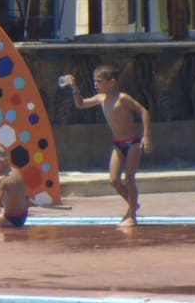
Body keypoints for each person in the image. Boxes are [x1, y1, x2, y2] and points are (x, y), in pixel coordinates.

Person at [65, 64, 153, 227]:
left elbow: (144, 111)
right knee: (114, 180)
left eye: (100, 81)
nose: (96, 85)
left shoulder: (123, 98)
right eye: (95, 81)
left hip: (132, 142)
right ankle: (133, 204)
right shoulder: (100, 98)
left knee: (129, 178)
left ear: (112, 82)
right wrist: (75, 87)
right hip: (118, 144)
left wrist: (146, 136)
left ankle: (132, 215)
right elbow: (81, 104)